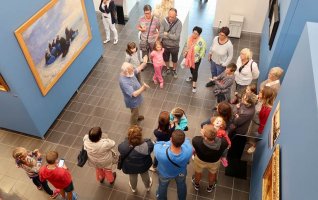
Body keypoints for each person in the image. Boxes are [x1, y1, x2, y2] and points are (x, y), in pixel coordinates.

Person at [154, 130, 193, 200]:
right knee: (181, 185)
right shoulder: (189, 149)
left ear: (171, 139)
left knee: (162, 186)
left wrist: (167, 143)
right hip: (181, 172)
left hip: (164, 174)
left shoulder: (160, 152)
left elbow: (157, 144)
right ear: (183, 142)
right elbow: (187, 140)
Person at [192, 125, 228, 192]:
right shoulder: (223, 142)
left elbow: (195, 149)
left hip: (200, 160)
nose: (201, 130)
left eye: (202, 131)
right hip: (214, 162)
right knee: (212, 174)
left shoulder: (196, 140)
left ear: (205, 137)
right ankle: (210, 187)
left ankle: (196, 185)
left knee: (198, 173)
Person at [118, 125, 154, 193]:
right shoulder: (148, 145)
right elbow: (151, 148)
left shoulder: (123, 146)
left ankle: (133, 188)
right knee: (145, 175)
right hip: (143, 165)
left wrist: (126, 140)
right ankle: (147, 187)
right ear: (140, 136)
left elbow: (120, 148)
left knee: (132, 177)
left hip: (130, 167)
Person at [160, 8, 182, 78]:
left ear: (176, 15)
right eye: (169, 16)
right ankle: (167, 69)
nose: (170, 18)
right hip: (165, 45)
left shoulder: (179, 23)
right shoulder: (164, 21)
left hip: (174, 46)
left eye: (172, 17)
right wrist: (171, 36)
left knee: (174, 59)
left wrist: (167, 34)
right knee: (166, 58)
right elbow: (160, 34)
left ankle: (174, 70)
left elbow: (176, 37)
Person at [184, 26, 206, 93]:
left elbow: (203, 50)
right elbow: (186, 46)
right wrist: (185, 52)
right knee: (191, 69)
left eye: (196, 33)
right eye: (193, 32)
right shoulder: (189, 38)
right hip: (189, 58)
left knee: (195, 71)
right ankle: (192, 77)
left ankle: (194, 85)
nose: (194, 34)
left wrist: (198, 57)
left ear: (199, 34)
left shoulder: (201, 41)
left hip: (196, 59)